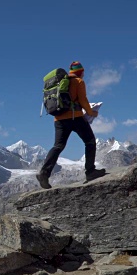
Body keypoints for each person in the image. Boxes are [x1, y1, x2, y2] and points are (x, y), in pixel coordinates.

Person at [36, 61, 106, 189]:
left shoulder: (60, 82)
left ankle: (44, 173)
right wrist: (91, 112)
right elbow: (83, 100)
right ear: (80, 72)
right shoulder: (78, 81)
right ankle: (90, 172)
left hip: (58, 119)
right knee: (90, 141)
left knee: (58, 146)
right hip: (75, 117)